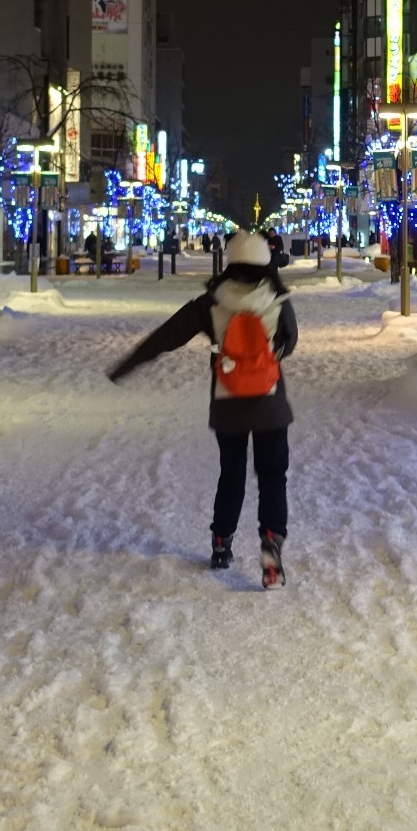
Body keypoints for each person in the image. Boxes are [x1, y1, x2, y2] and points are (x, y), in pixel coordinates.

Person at [107, 232, 297, 588]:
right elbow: (290, 342)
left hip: (228, 403)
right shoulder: (278, 300)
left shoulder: (211, 303)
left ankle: (221, 543)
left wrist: (126, 365)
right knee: (273, 475)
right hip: (270, 402)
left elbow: (167, 335)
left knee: (232, 474)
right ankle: (271, 544)